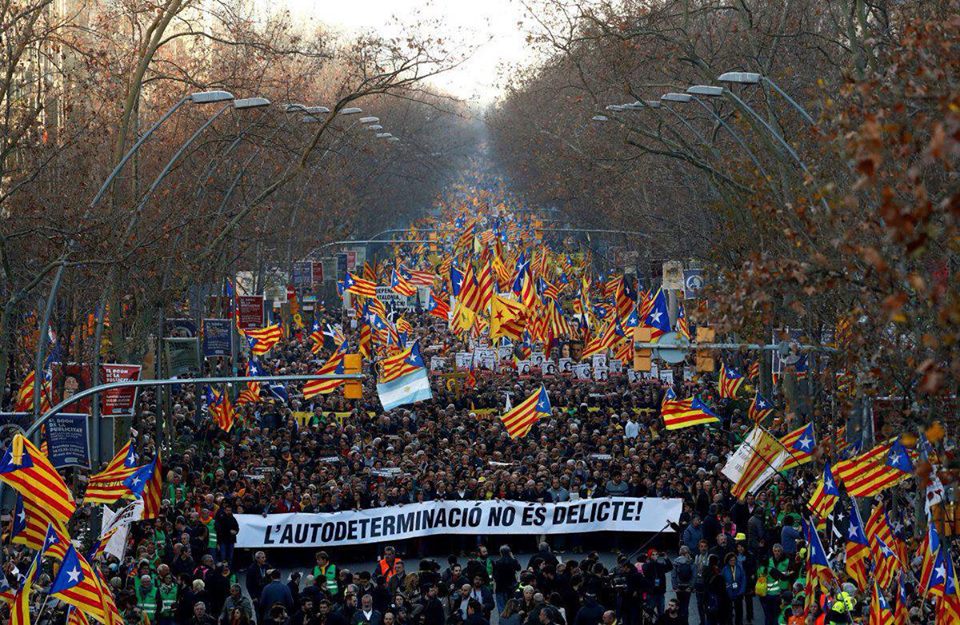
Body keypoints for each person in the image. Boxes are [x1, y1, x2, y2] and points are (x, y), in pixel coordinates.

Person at [760, 544, 793, 625]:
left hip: (780, 593)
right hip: (768, 593)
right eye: (775, 551)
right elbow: (762, 574)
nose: (777, 553)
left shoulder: (787, 561)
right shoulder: (769, 561)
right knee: (768, 616)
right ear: (772, 551)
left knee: (776, 616)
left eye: (778, 551)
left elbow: (789, 576)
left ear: (781, 552)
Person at [642, 548, 673, 617]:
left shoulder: (660, 565)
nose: (655, 556)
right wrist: (650, 560)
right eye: (653, 554)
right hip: (651, 594)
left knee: (661, 613)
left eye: (656, 554)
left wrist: (666, 558)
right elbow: (645, 569)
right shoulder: (646, 565)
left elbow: (670, 567)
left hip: (660, 593)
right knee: (649, 613)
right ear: (649, 556)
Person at [493, 545, 522, 613]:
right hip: (511, 588)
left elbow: (495, 576)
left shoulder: (497, 562)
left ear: (501, 553)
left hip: (500, 587)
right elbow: (519, 568)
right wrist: (513, 557)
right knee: (511, 607)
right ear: (509, 552)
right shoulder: (513, 561)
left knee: (501, 608)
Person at [722, 552, 746, 625]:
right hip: (728, 593)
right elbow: (722, 580)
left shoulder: (739, 568)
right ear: (727, 561)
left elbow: (743, 580)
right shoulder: (725, 569)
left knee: (739, 611)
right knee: (728, 612)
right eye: (731, 560)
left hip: (738, 592)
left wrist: (741, 591)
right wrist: (725, 587)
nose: (733, 562)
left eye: (734, 560)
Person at [672, 546, 694, 623]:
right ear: (687, 552)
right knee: (685, 605)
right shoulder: (690, 561)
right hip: (687, 587)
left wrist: (675, 587)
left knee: (679, 605)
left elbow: (673, 575)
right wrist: (691, 587)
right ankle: (685, 622)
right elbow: (693, 576)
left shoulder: (676, 561)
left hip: (679, 587)